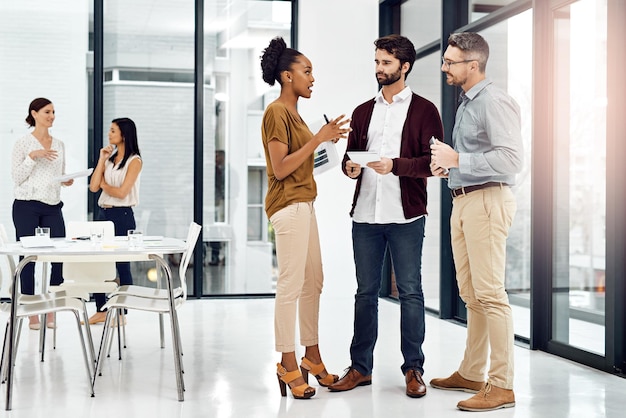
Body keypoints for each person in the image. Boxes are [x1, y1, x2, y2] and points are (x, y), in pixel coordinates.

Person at [328, 34, 443, 398]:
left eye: (386, 63)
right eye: (377, 62)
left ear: (404, 66)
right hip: (365, 217)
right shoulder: (364, 111)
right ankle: (360, 368)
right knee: (365, 293)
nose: (379, 69)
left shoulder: (425, 111)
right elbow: (351, 157)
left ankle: (413, 369)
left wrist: (394, 165)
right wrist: (350, 169)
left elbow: (432, 163)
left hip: (406, 216)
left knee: (410, 292)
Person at [429, 32, 523, 412]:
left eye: (450, 62)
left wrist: (459, 162)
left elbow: (512, 160)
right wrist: (448, 170)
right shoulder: (467, 103)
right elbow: (468, 157)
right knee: (471, 294)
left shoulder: (494, 101)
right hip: (465, 200)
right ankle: (471, 372)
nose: (444, 67)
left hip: (487, 201)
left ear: (473, 64)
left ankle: (501, 386)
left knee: (490, 295)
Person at [259, 36, 351, 400]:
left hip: (305, 203)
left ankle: (312, 355)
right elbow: (280, 169)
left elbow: (303, 162)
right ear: (286, 76)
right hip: (288, 206)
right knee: (291, 285)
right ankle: (287, 360)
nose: (312, 78)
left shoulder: (295, 114)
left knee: (314, 281)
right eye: (306, 71)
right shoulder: (276, 112)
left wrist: (326, 145)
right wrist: (317, 140)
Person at [11, 97, 74, 330]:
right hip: (26, 205)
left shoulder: (59, 144)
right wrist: (32, 157)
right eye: (47, 112)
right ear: (34, 113)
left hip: (52, 205)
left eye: (54, 112)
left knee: (58, 257)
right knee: (28, 258)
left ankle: (52, 308)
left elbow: (60, 174)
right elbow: (16, 178)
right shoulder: (22, 143)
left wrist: (66, 181)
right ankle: (31, 311)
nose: (52, 116)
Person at [87, 117, 142, 325]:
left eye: (112, 131)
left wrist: (103, 184)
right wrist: (102, 159)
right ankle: (101, 310)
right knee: (100, 264)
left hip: (122, 216)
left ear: (124, 134)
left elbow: (122, 193)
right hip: (104, 215)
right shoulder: (110, 158)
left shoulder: (134, 161)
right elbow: (93, 186)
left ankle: (121, 314)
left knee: (122, 266)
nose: (109, 134)